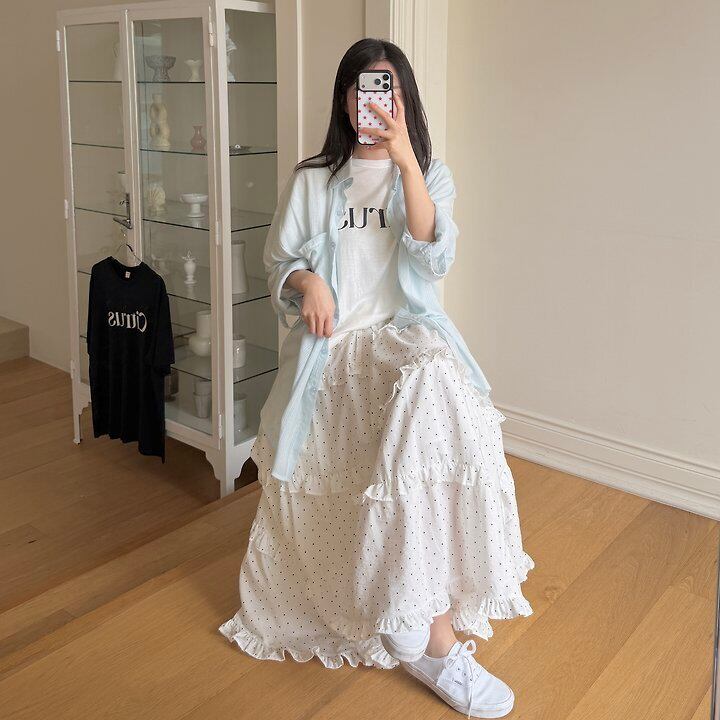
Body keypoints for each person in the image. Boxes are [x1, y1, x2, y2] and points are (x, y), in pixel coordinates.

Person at [219, 38, 535, 719]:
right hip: (332, 354)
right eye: (363, 89)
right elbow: (277, 264)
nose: (375, 101)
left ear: (404, 99)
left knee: (434, 385)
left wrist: (405, 162)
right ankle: (415, 625)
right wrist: (306, 281)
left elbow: (433, 256)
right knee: (383, 434)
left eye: (388, 89)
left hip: (402, 342)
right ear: (344, 100)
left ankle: (431, 634)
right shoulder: (312, 181)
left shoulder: (428, 175)